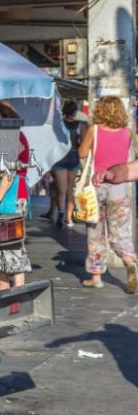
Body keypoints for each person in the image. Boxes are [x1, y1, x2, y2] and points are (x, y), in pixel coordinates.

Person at [81, 96, 138, 293]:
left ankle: (96, 276)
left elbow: (81, 153)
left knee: (95, 231)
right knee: (120, 231)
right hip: (119, 187)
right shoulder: (128, 133)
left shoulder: (94, 130)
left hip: (96, 186)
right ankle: (129, 261)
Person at [0, 102, 31, 290]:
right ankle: (15, 294)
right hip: (17, 196)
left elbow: (9, 172)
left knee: (4, 250)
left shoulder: (7, 134)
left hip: (6, 198)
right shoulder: (19, 134)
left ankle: (8, 294)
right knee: (12, 249)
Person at [46, 100, 83, 228]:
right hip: (74, 157)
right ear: (75, 111)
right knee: (70, 190)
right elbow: (82, 143)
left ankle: (61, 212)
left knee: (61, 190)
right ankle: (69, 218)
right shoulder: (80, 125)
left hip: (60, 157)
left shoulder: (59, 124)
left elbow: (52, 141)